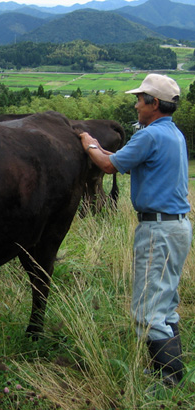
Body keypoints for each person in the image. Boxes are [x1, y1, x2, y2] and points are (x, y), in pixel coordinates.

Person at [79, 73, 192, 386]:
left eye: (140, 99)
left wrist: (89, 144)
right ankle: (170, 372)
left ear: (154, 104)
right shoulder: (173, 134)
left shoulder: (149, 135)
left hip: (157, 230)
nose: (135, 104)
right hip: (178, 227)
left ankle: (166, 379)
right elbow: (123, 159)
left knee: (147, 308)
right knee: (166, 302)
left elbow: (108, 164)